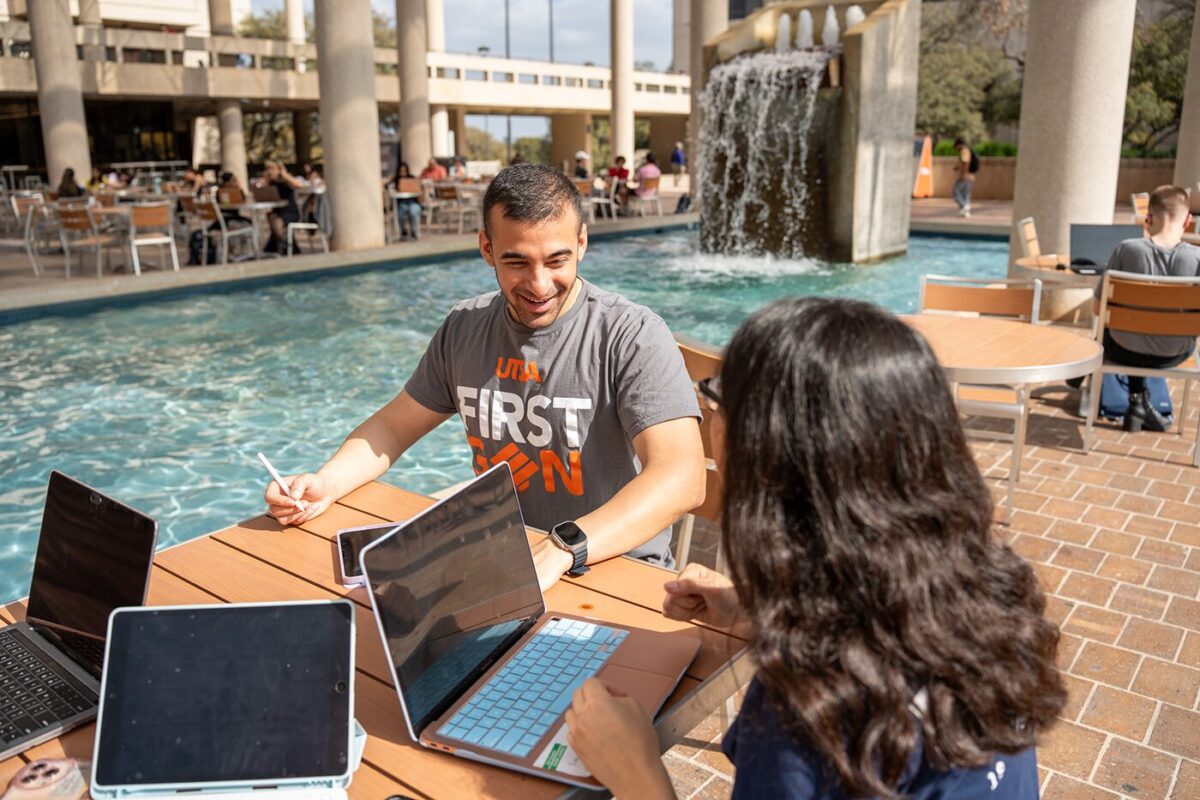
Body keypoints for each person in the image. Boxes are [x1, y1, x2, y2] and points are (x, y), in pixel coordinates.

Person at [565, 296, 1066, 800]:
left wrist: (635, 770)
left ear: (771, 457)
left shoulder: (809, 712)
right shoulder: (984, 602)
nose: (708, 413)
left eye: (717, 397)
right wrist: (766, 613)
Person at [264, 164, 706, 590]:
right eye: (517, 262)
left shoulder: (631, 335)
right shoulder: (464, 327)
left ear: (583, 243)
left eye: (557, 260)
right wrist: (326, 483)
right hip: (506, 563)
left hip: (618, 569)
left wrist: (563, 546)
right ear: (486, 248)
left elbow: (682, 477)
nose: (539, 284)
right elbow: (392, 427)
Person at [1095, 184, 1200, 433]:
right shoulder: (1197, 259)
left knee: (1114, 335)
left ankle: (1135, 402)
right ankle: (1139, 405)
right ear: (1187, 221)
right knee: (1147, 336)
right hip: (1175, 353)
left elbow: (1098, 310)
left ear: (1148, 219)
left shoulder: (1126, 249)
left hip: (1123, 349)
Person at [261, 159, 303, 255]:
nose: (269, 171)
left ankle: (282, 245)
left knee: (276, 220)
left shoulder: (286, 180)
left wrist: (284, 175)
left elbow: (299, 185)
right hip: (277, 211)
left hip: (290, 212)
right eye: (267, 169)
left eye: (272, 168)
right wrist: (266, 180)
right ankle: (285, 244)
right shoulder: (271, 182)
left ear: (279, 169)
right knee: (271, 216)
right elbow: (263, 195)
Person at [386, 161, 422, 240]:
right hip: (402, 202)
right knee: (400, 214)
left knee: (413, 212)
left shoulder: (412, 178)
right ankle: (403, 230)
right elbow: (387, 186)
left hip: (412, 201)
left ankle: (413, 230)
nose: (403, 172)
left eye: (404, 170)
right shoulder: (396, 179)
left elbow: (418, 189)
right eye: (401, 170)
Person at [953, 139, 978, 218]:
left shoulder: (964, 150)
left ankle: (964, 207)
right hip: (971, 176)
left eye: (956, 147)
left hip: (966, 176)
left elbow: (965, 162)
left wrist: (963, 175)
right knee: (966, 194)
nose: (956, 149)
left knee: (955, 191)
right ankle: (965, 212)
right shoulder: (968, 150)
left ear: (959, 145)